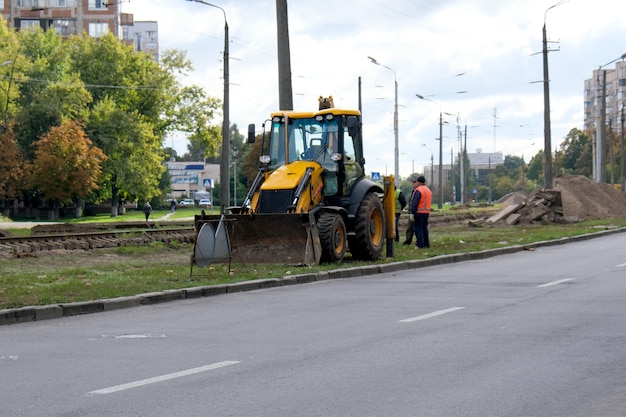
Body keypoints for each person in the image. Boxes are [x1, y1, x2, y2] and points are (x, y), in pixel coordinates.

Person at [410, 175, 432, 249]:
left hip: (419, 213)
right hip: (426, 212)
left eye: (416, 182)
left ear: (418, 182)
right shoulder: (428, 190)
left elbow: (415, 203)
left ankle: (420, 244)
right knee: (424, 228)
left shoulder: (418, 190)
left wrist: (412, 213)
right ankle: (426, 244)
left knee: (418, 229)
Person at [403, 175, 418, 245]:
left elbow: (415, 202)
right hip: (412, 211)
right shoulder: (413, 191)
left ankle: (418, 241)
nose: (412, 184)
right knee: (410, 228)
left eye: (414, 182)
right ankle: (408, 241)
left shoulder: (417, 191)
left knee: (416, 228)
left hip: (416, 212)